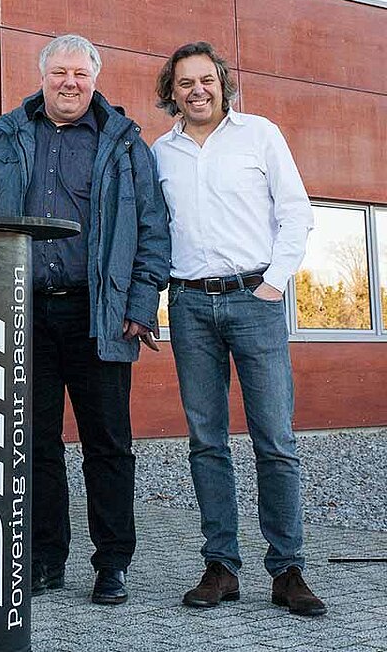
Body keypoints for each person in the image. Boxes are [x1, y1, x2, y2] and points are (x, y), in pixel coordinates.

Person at [0, 34, 170, 605]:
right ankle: (44, 559)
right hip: (22, 312)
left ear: (94, 78)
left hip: (99, 314)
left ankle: (113, 563)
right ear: (42, 76)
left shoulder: (126, 144)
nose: (69, 83)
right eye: (59, 72)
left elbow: (153, 232)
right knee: (34, 444)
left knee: (108, 443)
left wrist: (139, 305)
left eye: (80, 75)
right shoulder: (5, 138)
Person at [151, 41, 324, 617]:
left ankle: (288, 569)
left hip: (255, 299)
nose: (196, 91)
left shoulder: (260, 134)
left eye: (205, 80)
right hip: (191, 305)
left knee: (275, 438)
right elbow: (156, 229)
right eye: (184, 83)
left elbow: (295, 211)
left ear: (222, 83)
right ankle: (221, 567)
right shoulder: (160, 152)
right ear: (170, 91)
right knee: (206, 441)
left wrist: (273, 283)